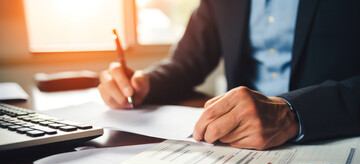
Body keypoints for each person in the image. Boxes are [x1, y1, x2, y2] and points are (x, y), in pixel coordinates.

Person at [98, 0, 360, 150]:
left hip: (332, 140)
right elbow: (189, 60)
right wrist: (145, 83)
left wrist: (291, 113)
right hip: (237, 148)